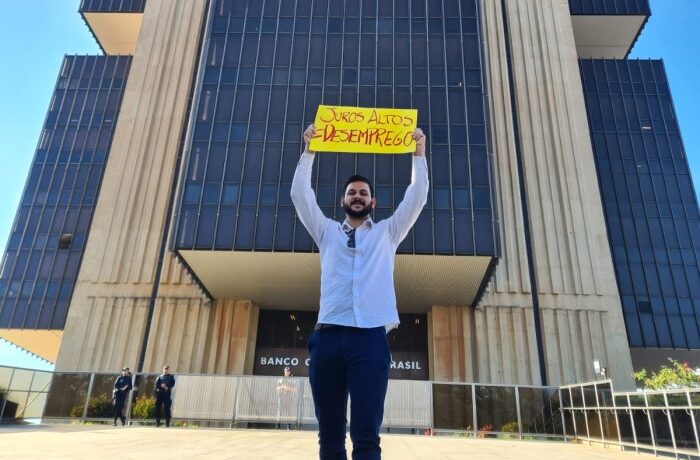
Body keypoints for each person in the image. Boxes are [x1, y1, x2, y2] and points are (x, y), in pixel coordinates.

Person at [291, 124, 428, 459]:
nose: (357, 196)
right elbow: (300, 195)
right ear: (343, 200)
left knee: (366, 435)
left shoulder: (387, 233)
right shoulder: (326, 232)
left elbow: (416, 197)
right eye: (352, 192)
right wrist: (309, 151)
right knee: (329, 435)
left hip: (369, 339)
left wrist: (419, 155)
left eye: (363, 193)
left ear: (372, 201)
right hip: (327, 338)